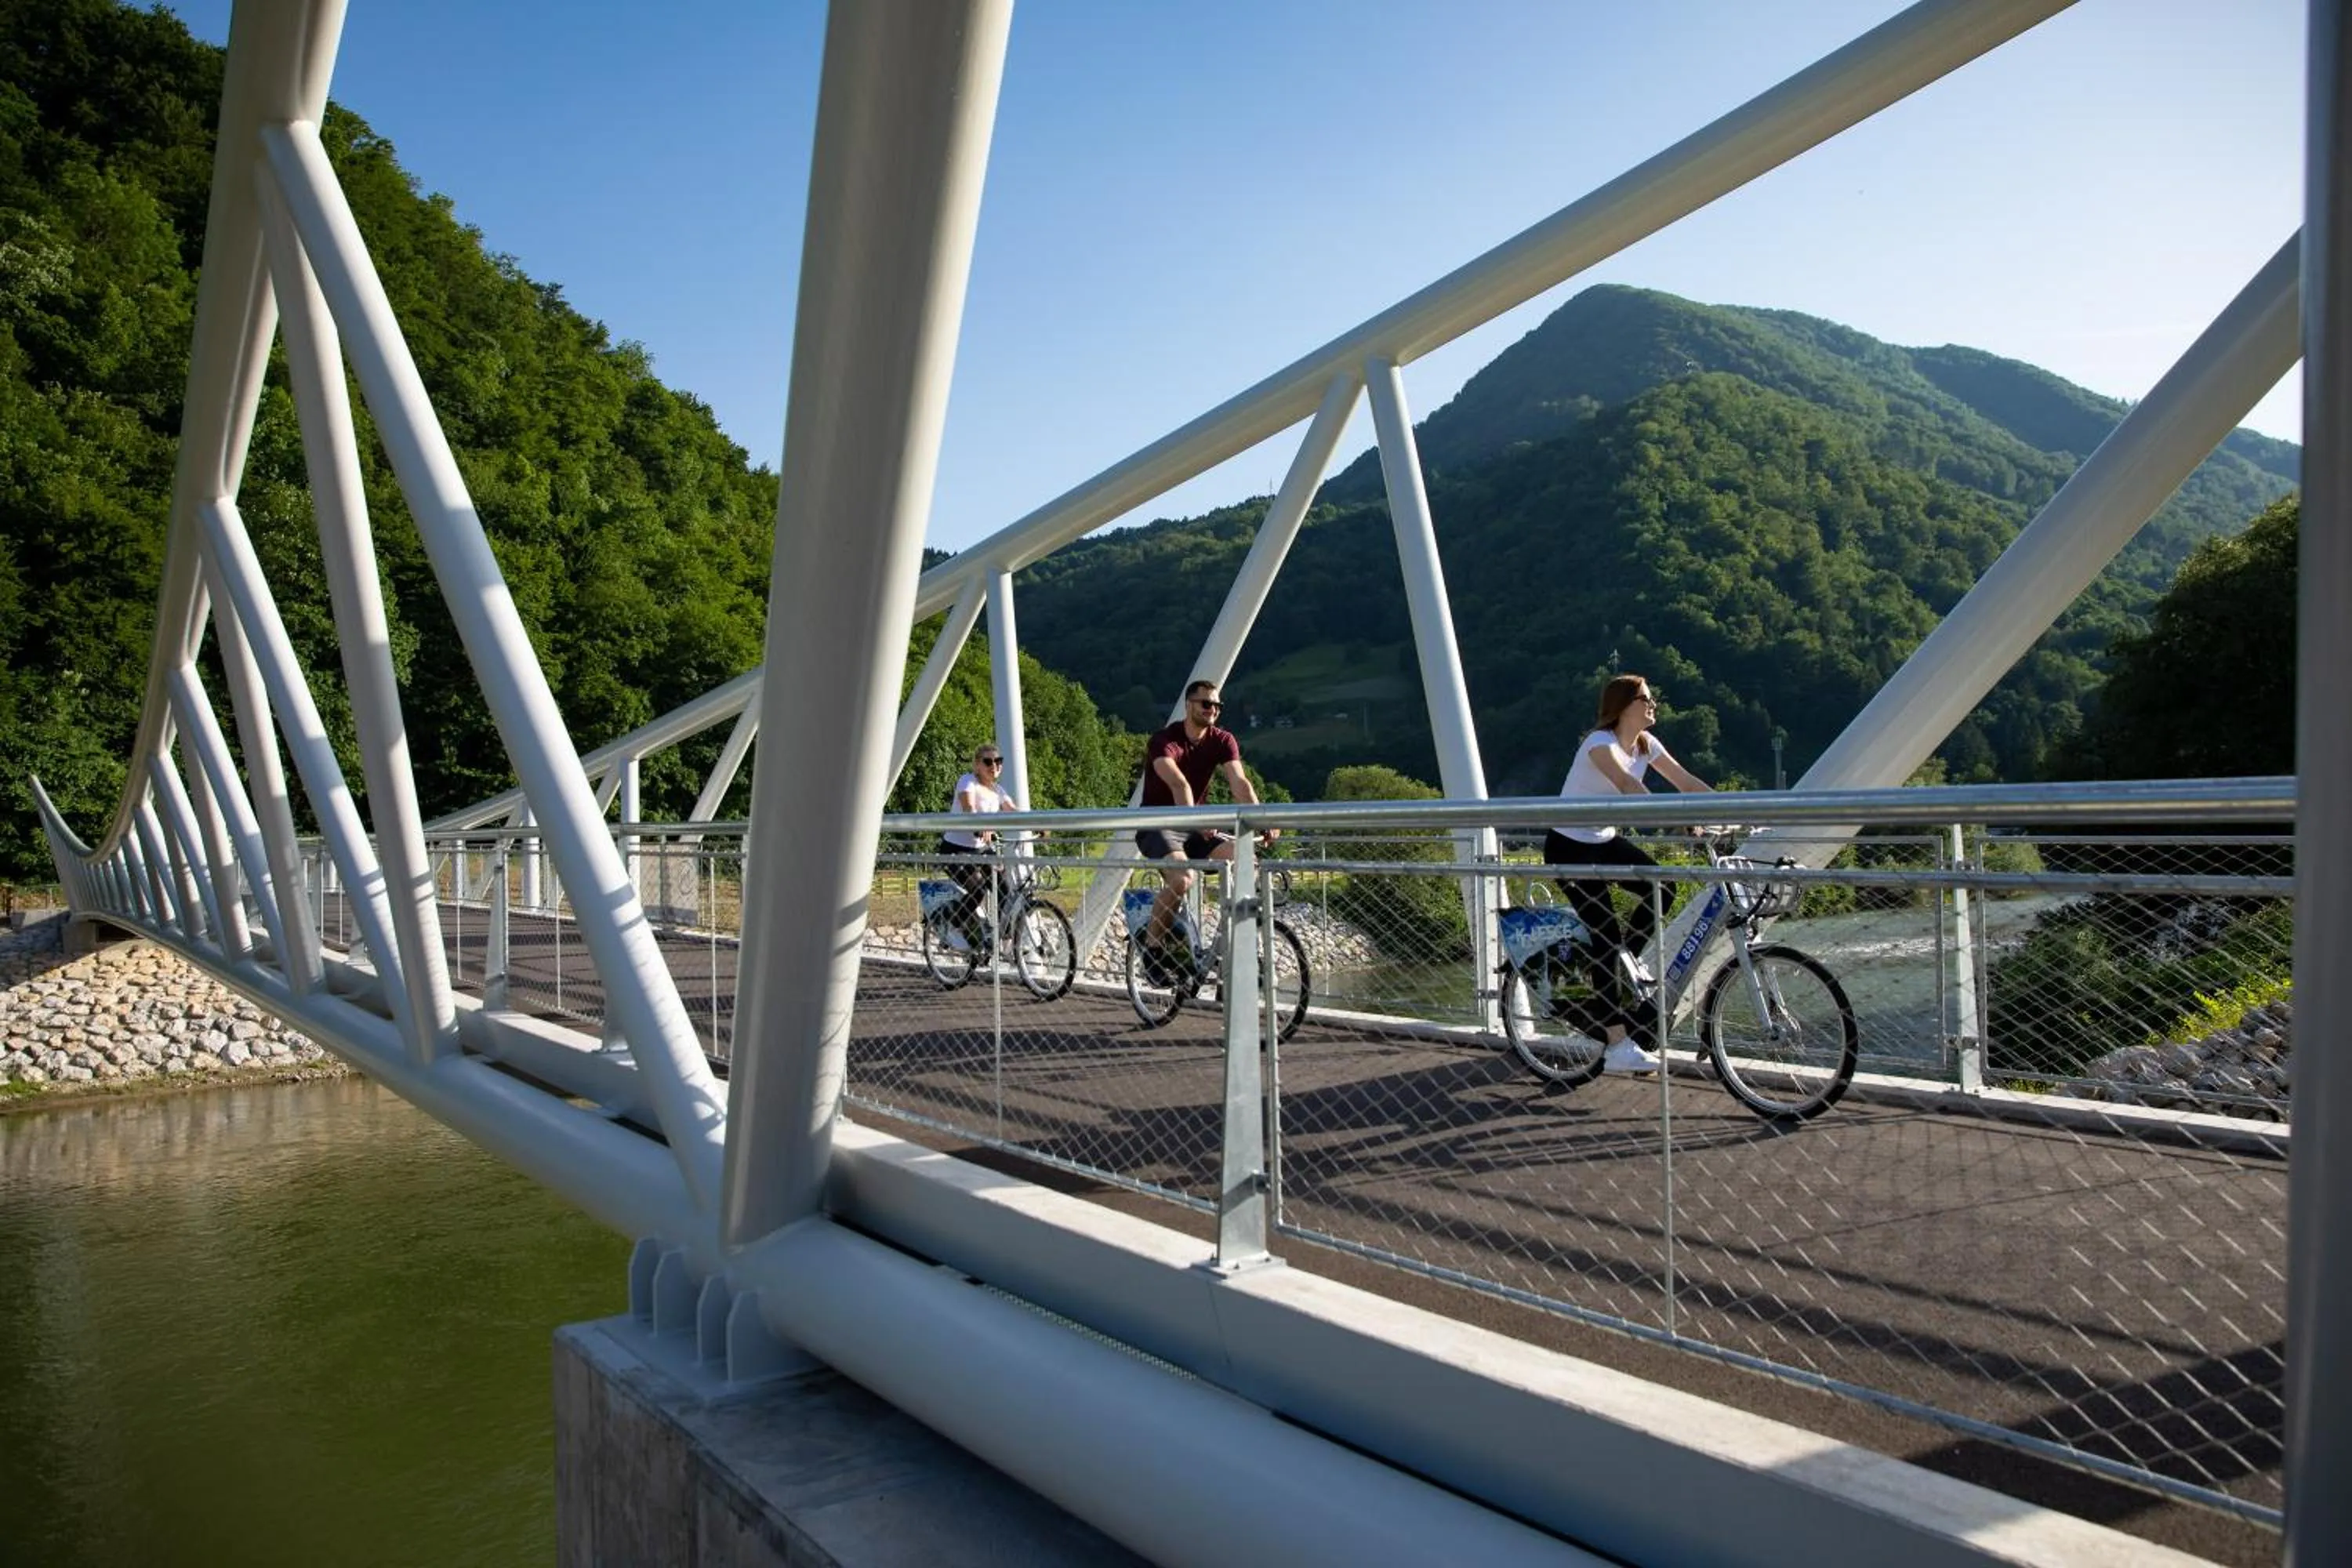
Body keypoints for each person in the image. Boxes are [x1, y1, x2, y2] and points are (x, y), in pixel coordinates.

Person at [1546, 673, 1712, 1076]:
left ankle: (1624, 966)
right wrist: (1675, 818)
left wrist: (1735, 811)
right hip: (1569, 846)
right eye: (1646, 698)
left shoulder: (1645, 744)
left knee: (1662, 886)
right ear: (1624, 705)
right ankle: (1617, 1047)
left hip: (1602, 841)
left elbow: (1686, 781)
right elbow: (1625, 784)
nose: (1654, 704)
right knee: (1605, 933)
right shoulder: (1599, 744)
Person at [1134, 679, 1276, 977]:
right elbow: (1178, 783)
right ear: (1189, 705)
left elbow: (1240, 783)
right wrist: (1197, 821)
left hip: (1196, 826)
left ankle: (1230, 947)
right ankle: (1153, 947)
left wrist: (1262, 820)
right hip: (1159, 826)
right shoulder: (1164, 741)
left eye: (1218, 706)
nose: (1213, 710)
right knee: (1182, 880)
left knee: (1245, 857)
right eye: (1206, 704)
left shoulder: (1223, 740)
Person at [937, 743, 1024, 950]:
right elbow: (969, 807)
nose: (993, 765)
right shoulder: (968, 781)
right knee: (977, 890)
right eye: (987, 762)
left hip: (982, 850)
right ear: (977, 765)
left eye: (998, 761)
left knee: (1004, 888)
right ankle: (952, 927)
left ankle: (1005, 941)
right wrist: (981, 825)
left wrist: (1039, 824)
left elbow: (1013, 811)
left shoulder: (999, 791)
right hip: (955, 849)